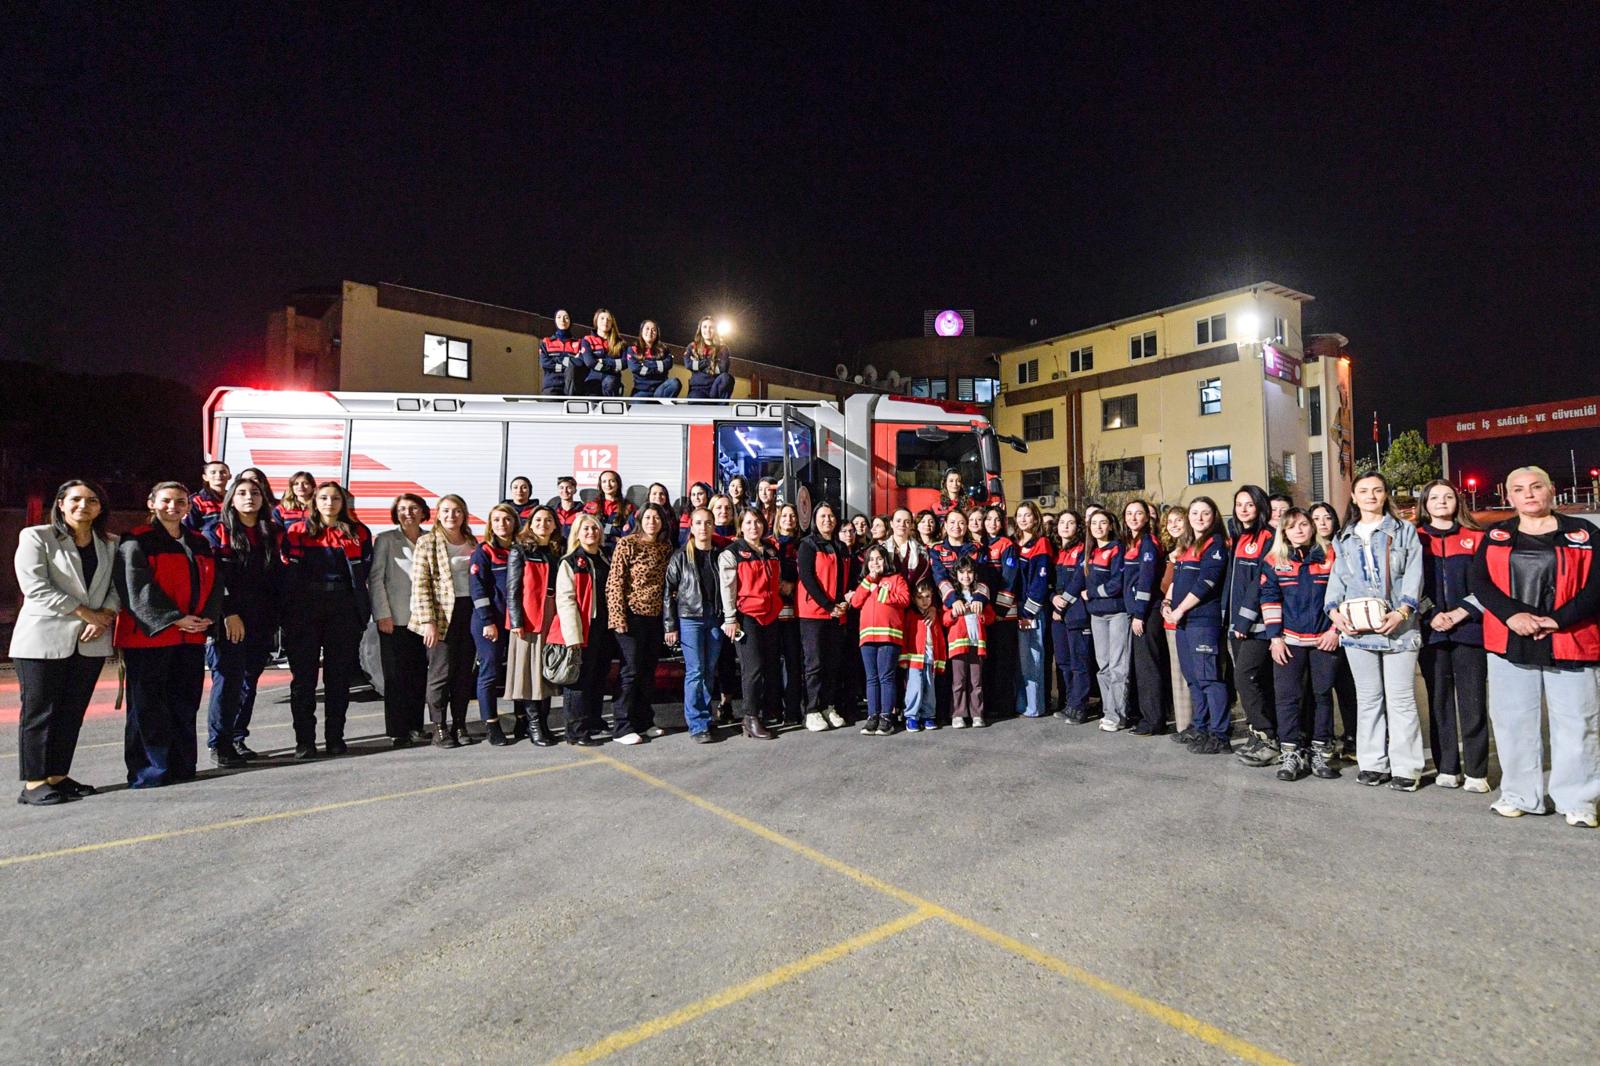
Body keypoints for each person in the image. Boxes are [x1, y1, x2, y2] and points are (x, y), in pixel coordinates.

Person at [1471, 466, 1600, 826]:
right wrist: (1512, 616)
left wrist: (1558, 620)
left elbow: (1597, 585)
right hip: (1512, 640)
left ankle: (1578, 800)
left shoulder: (1584, 533)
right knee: (1513, 722)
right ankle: (1519, 794)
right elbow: (1480, 582)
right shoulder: (1496, 535)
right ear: (1508, 496)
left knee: (1577, 723)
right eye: (1519, 489)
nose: (1528, 494)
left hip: (1570, 639)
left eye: (1536, 486)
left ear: (1551, 490)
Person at [11, 480, 119, 805]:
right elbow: (35, 586)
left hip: (91, 640)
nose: (83, 505)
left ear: (100, 507)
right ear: (60, 503)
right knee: (40, 712)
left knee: (72, 712)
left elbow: (118, 587)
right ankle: (34, 783)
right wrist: (86, 613)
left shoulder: (110, 543)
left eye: (92, 500)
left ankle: (58, 776)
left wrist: (106, 615)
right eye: (75, 499)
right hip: (42, 640)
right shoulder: (37, 536)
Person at [113, 482, 221, 787]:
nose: (173, 507)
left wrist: (207, 617)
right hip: (150, 638)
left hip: (191, 637)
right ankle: (149, 771)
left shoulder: (199, 542)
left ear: (189, 506)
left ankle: (182, 766)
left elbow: (215, 583)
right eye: (166, 500)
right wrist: (175, 619)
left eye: (181, 501)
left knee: (184, 704)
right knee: (148, 707)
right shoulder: (137, 540)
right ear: (152, 503)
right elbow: (136, 588)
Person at [1325, 472, 1426, 790]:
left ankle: (1406, 768)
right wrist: (1334, 611)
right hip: (1358, 630)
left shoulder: (1404, 531)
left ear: (1385, 495)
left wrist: (1403, 611)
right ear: (1354, 497)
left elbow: (1414, 574)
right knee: (1368, 699)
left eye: (1377, 490)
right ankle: (1372, 764)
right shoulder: (1344, 537)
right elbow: (1337, 579)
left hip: (1399, 629)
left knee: (1400, 699)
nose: (1370, 496)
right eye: (1364, 491)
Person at [280, 481, 372, 758]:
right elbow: (287, 573)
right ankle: (305, 742)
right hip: (304, 610)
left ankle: (335, 738)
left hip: (343, 609)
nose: (329, 503)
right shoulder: (297, 531)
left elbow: (365, 572)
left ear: (343, 503)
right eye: (323, 498)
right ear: (314, 502)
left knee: (339, 678)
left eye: (335, 498)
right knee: (303, 680)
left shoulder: (358, 532)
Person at [204, 475, 283, 767]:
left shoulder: (272, 532)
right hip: (230, 619)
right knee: (227, 680)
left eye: (255, 493)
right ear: (231, 500)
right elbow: (214, 579)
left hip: (262, 619)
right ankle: (220, 743)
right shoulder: (217, 531)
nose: (249, 497)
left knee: (248, 682)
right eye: (242, 493)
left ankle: (237, 737)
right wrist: (228, 613)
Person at [1415, 480, 1489, 791]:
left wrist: (1461, 612)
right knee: (1439, 702)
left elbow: (1488, 583)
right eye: (1434, 497)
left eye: (1448, 496)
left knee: (1473, 702)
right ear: (1425, 504)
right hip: (1432, 632)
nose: (1442, 501)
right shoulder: (1415, 538)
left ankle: (1476, 772)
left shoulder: (1477, 537)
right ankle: (1447, 767)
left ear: (1458, 502)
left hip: (1469, 631)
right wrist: (1431, 613)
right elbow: (1408, 584)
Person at [1259, 508, 1343, 781]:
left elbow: (1343, 594)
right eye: (1292, 526)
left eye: (1304, 524)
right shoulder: (1274, 560)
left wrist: (1335, 630)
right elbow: (1269, 598)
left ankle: (1320, 752)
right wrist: (1275, 638)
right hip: (1289, 641)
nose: (1299, 530)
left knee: (1322, 696)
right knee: (1288, 698)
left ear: (1312, 527)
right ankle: (1291, 753)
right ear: (1283, 531)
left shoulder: (1331, 556)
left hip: (1324, 640)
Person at [409, 494, 479, 749]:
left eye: (457, 510)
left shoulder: (472, 541)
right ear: (438, 514)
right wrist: (428, 621)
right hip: (441, 616)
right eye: (446, 510)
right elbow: (420, 584)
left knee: (463, 674)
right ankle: (439, 727)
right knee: (440, 674)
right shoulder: (427, 542)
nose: (452, 515)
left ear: (464, 514)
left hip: (469, 612)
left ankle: (459, 724)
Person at [1164, 498, 1231, 754]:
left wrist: (1180, 609)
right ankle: (1200, 727)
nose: (1199, 518)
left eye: (1205, 513)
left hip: (1202, 621)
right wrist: (1168, 603)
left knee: (1209, 679)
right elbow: (1177, 581)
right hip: (1183, 622)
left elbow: (1206, 583)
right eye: (1194, 513)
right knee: (1193, 678)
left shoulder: (1215, 544)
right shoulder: (1188, 544)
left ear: (1214, 516)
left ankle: (1219, 734)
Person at [606, 502, 674, 745]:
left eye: (656, 518)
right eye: (647, 517)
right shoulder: (627, 544)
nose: (652, 522)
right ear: (639, 520)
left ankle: (644, 721)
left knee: (647, 671)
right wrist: (618, 617)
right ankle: (622, 726)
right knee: (631, 671)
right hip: (630, 617)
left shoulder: (665, 547)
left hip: (654, 618)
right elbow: (615, 582)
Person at [370, 494, 431, 747]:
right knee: (396, 678)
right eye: (403, 509)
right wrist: (382, 614)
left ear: (423, 512)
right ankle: (398, 731)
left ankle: (416, 726)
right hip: (394, 619)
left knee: (418, 675)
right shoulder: (386, 540)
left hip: (424, 620)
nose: (408, 513)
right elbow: (376, 579)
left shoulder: (430, 539)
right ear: (396, 513)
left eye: (414, 508)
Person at [1227, 486, 1280, 768]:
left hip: (1256, 624)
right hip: (1236, 623)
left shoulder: (1269, 537)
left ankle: (1268, 736)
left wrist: (1245, 619)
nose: (1243, 509)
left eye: (1249, 504)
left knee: (1245, 678)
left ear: (1260, 507)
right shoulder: (1240, 536)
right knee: (1254, 680)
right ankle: (1258, 734)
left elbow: (1262, 581)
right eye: (1239, 504)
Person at [719, 508, 783, 739]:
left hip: (770, 616)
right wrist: (730, 619)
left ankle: (765, 712)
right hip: (747, 617)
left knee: (769, 666)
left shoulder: (771, 550)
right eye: (748, 522)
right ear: (741, 526)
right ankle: (750, 718)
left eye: (757, 522)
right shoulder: (731, 553)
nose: (753, 526)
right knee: (752, 669)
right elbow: (728, 589)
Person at [664, 507, 727, 743]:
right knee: (695, 670)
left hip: (715, 618)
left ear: (713, 526)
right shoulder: (680, 556)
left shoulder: (720, 555)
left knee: (710, 669)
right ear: (691, 527)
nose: (703, 527)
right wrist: (670, 625)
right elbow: (668, 592)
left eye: (708, 523)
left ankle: (706, 718)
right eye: (698, 523)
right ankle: (697, 724)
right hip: (690, 618)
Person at [552, 513, 614, 746]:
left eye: (595, 528)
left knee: (598, 676)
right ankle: (576, 732)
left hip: (603, 628)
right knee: (579, 681)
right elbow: (565, 600)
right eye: (586, 529)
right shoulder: (570, 562)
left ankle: (593, 720)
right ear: (577, 533)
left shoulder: (605, 557)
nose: (591, 533)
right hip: (582, 629)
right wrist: (573, 636)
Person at [505, 505, 564, 746]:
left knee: (546, 672)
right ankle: (534, 726)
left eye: (548, 520)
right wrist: (516, 621)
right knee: (529, 675)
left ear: (555, 525)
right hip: (529, 619)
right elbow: (512, 589)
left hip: (553, 615)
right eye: (538, 520)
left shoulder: (557, 550)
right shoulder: (520, 550)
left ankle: (544, 723)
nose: (543, 524)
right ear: (530, 524)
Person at [796, 501, 852, 731]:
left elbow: (847, 579)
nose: (827, 520)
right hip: (814, 614)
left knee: (832, 662)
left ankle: (828, 706)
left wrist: (844, 602)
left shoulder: (841, 547)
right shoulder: (807, 545)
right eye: (822, 516)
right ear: (815, 520)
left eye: (830, 516)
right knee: (815, 663)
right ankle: (811, 710)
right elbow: (808, 579)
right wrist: (828, 605)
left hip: (837, 614)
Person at [1310, 500, 1359, 756]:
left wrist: (1336, 629)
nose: (1322, 523)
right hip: (1314, 633)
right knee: (1320, 690)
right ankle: (1322, 739)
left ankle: (1353, 738)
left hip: (1341, 628)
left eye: (1327, 517)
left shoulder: (1343, 548)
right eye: (1316, 518)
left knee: (1346, 687)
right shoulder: (1306, 551)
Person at [1119, 501, 1170, 736]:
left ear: (1147, 517)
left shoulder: (1148, 543)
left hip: (1147, 613)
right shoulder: (1132, 542)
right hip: (1137, 612)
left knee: (1148, 668)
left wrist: (1139, 614)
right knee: (1141, 667)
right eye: (1129, 513)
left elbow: (1146, 580)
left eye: (1138, 513)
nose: (1133, 517)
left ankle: (1153, 721)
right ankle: (1146, 716)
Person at [470, 504, 517, 745]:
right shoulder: (484, 551)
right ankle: (491, 725)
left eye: (507, 519)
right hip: (490, 622)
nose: (502, 524)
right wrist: (488, 621)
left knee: (518, 672)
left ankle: (522, 720)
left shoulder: (520, 549)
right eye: (497, 519)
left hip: (515, 622)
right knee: (490, 673)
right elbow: (477, 588)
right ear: (490, 524)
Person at [851, 543, 910, 736]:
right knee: (871, 678)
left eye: (879, 559)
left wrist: (882, 592)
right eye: (871, 560)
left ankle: (886, 717)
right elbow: (855, 602)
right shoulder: (865, 581)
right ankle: (872, 717)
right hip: (868, 635)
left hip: (889, 634)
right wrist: (869, 581)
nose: (875, 563)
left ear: (886, 560)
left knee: (886, 677)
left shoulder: (896, 578)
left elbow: (905, 599)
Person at [1084, 508, 1131, 731]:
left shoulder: (1117, 548)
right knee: (1102, 666)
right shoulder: (1090, 551)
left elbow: (1117, 583)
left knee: (1118, 666)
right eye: (1094, 523)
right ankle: (1108, 711)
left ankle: (1118, 715)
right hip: (1097, 615)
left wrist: (1093, 593)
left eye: (1103, 522)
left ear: (1110, 526)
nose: (1098, 527)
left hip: (1117, 612)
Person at [1051, 510, 1097, 724]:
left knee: (1080, 662)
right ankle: (1070, 702)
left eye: (1070, 523)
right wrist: (1052, 598)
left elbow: (1078, 581)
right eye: (1062, 522)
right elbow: (1050, 583)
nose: (1065, 526)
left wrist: (1062, 605)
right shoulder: (1057, 552)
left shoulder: (1083, 550)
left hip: (1076, 614)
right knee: (1063, 661)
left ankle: (1080, 706)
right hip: (1058, 615)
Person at [980, 505, 1020, 721]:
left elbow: (1010, 579)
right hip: (985, 614)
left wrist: (999, 610)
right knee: (987, 660)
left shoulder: (1007, 545)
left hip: (1004, 615)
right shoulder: (980, 544)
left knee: (1004, 661)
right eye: (988, 519)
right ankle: (988, 704)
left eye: (997, 519)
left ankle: (1005, 706)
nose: (992, 523)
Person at [1013, 502, 1053, 719]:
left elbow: (1040, 581)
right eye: (1019, 515)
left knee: (1032, 659)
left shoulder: (1041, 544)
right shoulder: (1015, 543)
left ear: (1036, 518)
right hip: (1016, 607)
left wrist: (1028, 612)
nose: (1023, 519)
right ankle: (1021, 703)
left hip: (1031, 609)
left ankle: (1034, 706)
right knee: (1021, 660)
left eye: (1027, 515)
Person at [1157, 506, 1193, 739]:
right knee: (1178, 676)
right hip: (1171, 620)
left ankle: (1198, 725)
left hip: (1192, 620)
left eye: (1179, 520)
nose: (1174, 525)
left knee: (1194, 675)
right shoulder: (1170, 554)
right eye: (1170, 521)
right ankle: (1183, 726)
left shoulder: (1194, 550)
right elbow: (1165, 587)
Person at [945, 558, 994, 728]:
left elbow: (990, 617)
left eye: (969, 572)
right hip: (958, 645)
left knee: (976, 682)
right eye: (962, 572)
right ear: (956, 574)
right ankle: (958, 714)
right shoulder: (952, 596)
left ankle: (977, 714)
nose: (966, 576)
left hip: (977, 645)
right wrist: (953, 613)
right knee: (959, 682)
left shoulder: (980, 595)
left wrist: (981, 614)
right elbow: (944, 619)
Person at [770, 503, 806, 726]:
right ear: (778, 519)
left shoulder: (803, 545)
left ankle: (793, 711)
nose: (789, 519)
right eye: (784, 515)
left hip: (795, 612)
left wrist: (793, 586)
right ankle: (774, 709)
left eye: (793, 515)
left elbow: (809, 574)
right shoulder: (769, 544)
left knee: (793, 663)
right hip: (772, 612)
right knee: (772, 663)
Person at [901, 580, 948, 732]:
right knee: (915, 688)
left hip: (930, 659)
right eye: (920, 597)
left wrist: (941, 661)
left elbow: (940, 639)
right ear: (913, 599)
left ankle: (928, 715)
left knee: (929, 689)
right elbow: (905, 636)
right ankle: (912, 716)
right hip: (914, 659)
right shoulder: (910, 615)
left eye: (927, 596)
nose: (924, 601)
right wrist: (903, 658)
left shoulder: (934, 616)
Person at [576, 308, 627, 396]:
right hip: (592, 381)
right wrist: (612, 367)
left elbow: (624, 363)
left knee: (610, 383)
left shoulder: (620, 343)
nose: (605, 321)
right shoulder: (587, 340)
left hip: (612, 383)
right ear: (596, 321)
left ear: (612, 323)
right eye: (602, 318)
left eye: (608, 319)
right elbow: (590, 362)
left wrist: (603, 361)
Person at [625, 319, 681, 398]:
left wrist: (645, 365)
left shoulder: (664, 349)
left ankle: (661, 402)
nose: (650, 332)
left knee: (675, 383)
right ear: (641, 331)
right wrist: (659, 368)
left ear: (657, 333)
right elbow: (635, 368)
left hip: (660, 391)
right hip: (642, 391)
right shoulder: (632, 349)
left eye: (653, 330)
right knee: (637, 403)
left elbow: (668, 364)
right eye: (647, 328)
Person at [585, 469, 635, 554]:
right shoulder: (591, 506)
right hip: (595, 549)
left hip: (619, 550)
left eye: (612, 481)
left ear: (618, 484)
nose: (608, 485)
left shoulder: (627, 507)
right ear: (600, 485)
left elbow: (630, 531)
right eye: (604, 481)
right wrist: (610, 536)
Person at [685, 315, 735, 399]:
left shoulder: (723, 349)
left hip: (715, 388)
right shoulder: (692, 347)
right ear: (700, 329)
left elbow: (722, 369)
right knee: (695, 398)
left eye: (711, 327)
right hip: (698, 389)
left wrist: (698, 365)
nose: (707, 330)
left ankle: (720, 406)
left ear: (715, 330)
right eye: (705, 327)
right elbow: (688, 364)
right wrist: (709, 363)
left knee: (726, 378)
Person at [539, 309, 582, 396]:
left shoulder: (579, 343)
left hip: (572, 388)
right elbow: (545, 364)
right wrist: (568, 363)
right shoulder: (546, 342)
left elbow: (580, 363)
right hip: (551, 386)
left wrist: (556, 361)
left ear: (570, 321)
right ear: (555, 320)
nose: (562, 320)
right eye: (559, 317)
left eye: (566, 317)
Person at [183, 460, 230, 534]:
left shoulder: (234, 498)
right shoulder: (196, 500)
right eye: (213, 472)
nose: (218, 475)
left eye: (223, 472)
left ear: (230, 476)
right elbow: (189, 529)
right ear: (205, 477)